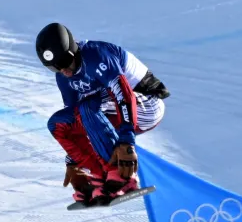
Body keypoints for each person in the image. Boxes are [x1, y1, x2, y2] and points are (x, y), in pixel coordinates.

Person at [38, 22, 171, 206]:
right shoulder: (63, 77)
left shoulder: (95, 55)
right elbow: (77, 123)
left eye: (64, 63)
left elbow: (123, 93)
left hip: (146, 105)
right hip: (116, 109)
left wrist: (126, 141)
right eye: (54, 67)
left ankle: (123, 176)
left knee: (88, 108)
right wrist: (74, 162)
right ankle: (100, 176)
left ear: (73, 50)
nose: (63, 70)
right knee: (58, 123)